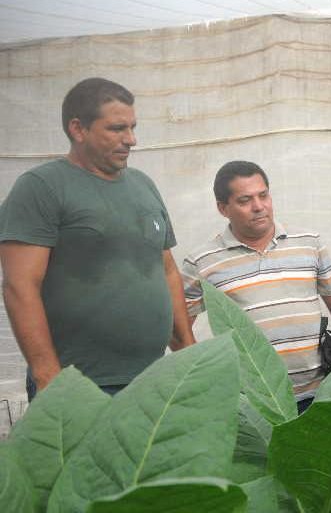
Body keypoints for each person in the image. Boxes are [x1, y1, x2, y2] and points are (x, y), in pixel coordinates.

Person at [0, 77, 195, 400]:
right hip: (82, 385)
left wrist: (187, 352)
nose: (131, 139)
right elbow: (20, 287)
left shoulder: (143, 185)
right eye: (117, 128)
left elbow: (166, 270)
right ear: (78, 129)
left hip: (152, 380)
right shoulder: (42, 187)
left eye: (133, 127)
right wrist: (48, 376)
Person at [182, 160, 331, 412]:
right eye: (245, 200)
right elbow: (180, 328)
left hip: (321, 393)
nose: (259, 207)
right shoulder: (202, 262)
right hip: (253, 404)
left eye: (263, 195)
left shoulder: (308, 243)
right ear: (223, 208)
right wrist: (204, 381)